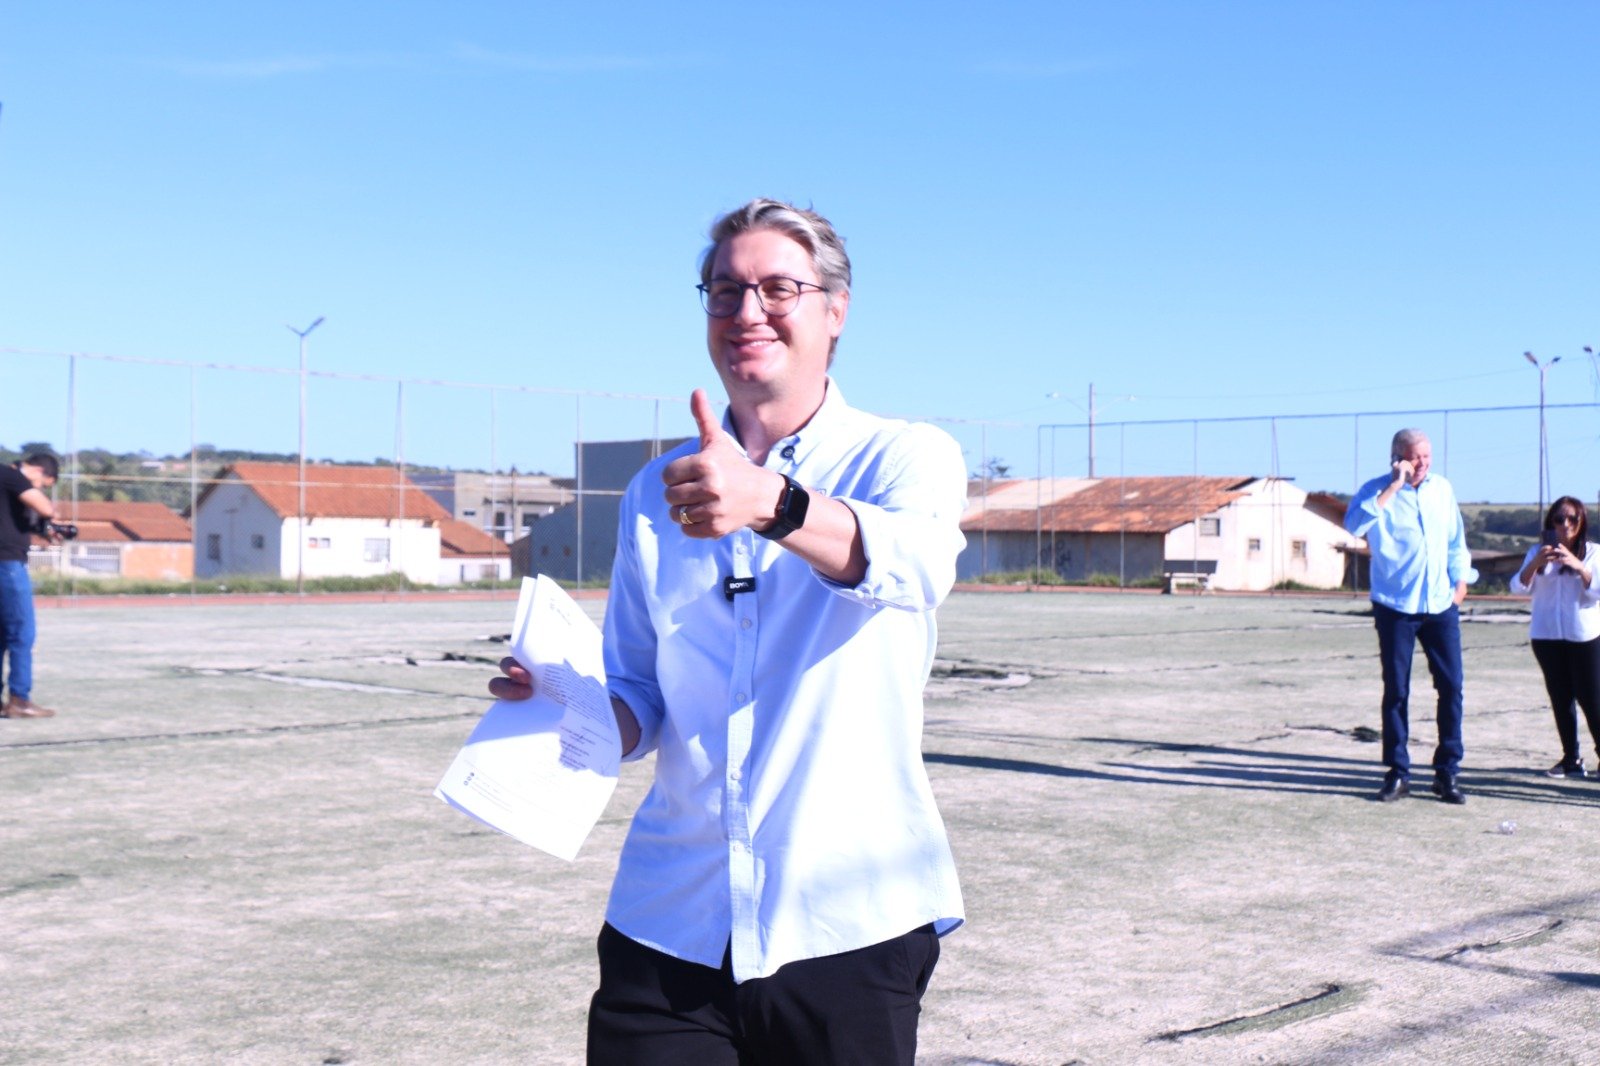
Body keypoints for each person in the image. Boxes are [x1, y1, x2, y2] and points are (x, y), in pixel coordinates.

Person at [490, 199, 966, 1064]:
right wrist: (571, 706)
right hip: (669, 921)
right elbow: (639, 689)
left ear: (836, 310)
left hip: (846, 922)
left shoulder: (905, 455)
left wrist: (770, 503)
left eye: (778, 288)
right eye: (724, 291)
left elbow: (914, 568)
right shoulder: (655, 490)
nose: (748, 311)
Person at [1344, 428, 1477, 804]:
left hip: (1440, 606)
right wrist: (1395, 486)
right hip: (1395, 608)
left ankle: (1447, 772)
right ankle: (1398, 773)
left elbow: (1456, 541)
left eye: (1427, 456)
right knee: (1397, 691)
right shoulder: (1375, 491)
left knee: (1451, 687)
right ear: (1397, 457)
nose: (1422, 463)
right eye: (1415, 456)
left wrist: (1460, 584)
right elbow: (1355, 527)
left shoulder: (1442, 489)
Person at [1509, 496, 1600, 779]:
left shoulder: (1593, 553)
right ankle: (1571, 758)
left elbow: (1596, 592)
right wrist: (1536, 562)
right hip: (1546, 635)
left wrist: (1579, 566)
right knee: (1560, 697)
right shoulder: (1537, 551)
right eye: (1559, 519)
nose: (1566, 525)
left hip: (1583, 635)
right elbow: (1518, 588)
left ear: (1582, 521)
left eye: (1572, 518)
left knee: (1591, 698)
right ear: (1551, 523)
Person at [1, 451, 63, 718]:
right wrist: (53, 516)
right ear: (38, 471)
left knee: (2, 634)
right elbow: (46, 508)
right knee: (22, 633)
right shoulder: (13, 476)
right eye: (43, 485)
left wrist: (42, 531)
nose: (40, 489)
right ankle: (19, 700)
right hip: (8, 565)